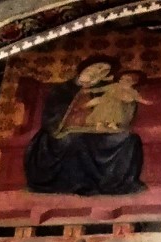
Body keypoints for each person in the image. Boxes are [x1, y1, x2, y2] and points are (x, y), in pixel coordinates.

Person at [23, 60, 145, 195]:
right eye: (97, 67)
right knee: (75, 139)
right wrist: (70, 118)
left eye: (104, 71)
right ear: (85, 67)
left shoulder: (107, 89)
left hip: (98, 129)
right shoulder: (63, 89)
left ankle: (114, 183)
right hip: (62, 129)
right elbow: (51, 114)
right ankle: (76, 184)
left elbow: (122, 109)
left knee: (129, 139)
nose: (98, 72)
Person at [85, 72, 153, 131]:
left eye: (127, 80)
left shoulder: (132, 91)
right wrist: (90, 90)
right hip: (105, 103)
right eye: (121, 79)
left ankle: (112, 124)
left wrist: (145, 102)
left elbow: (138, 98)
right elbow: (101, 89)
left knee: (116, 114)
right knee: (102, 114)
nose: (123, 81)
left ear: (133, 82)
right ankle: (99, 125)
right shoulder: (114, 86)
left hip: (118, 106)